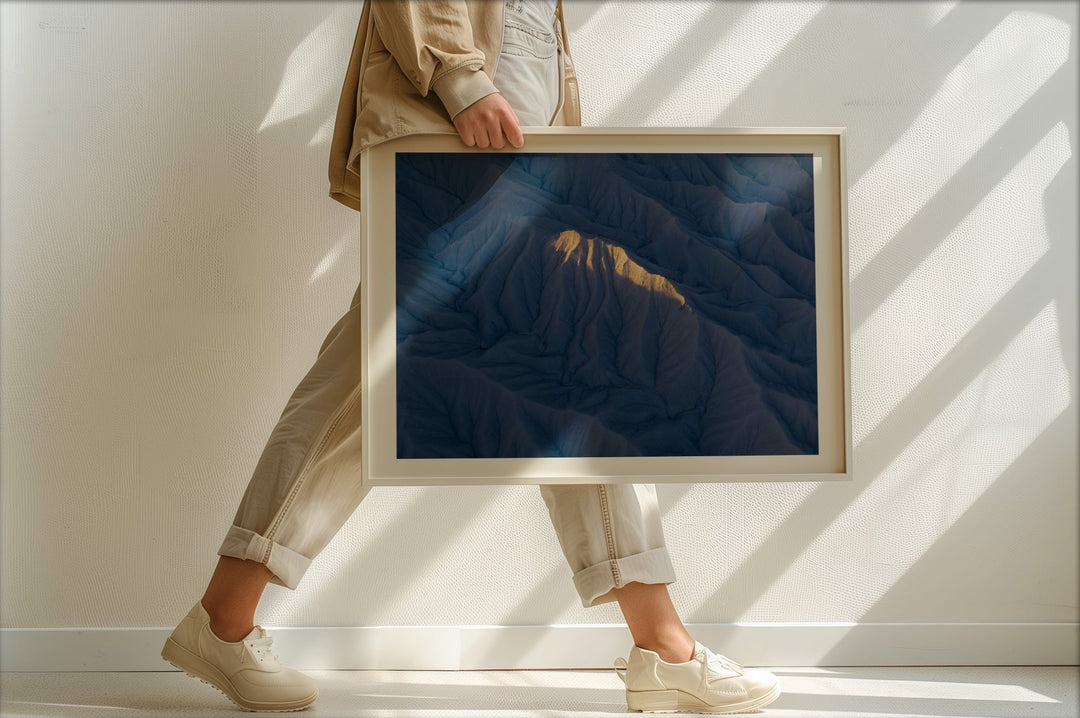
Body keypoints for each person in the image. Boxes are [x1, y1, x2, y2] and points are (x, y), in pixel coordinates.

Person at [161, 1, 781, 713]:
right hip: (455, 147)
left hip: (513, 165)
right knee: (459, 381)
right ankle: (663, 648)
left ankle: (224, 617)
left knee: (442, 383)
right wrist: (462, 82)